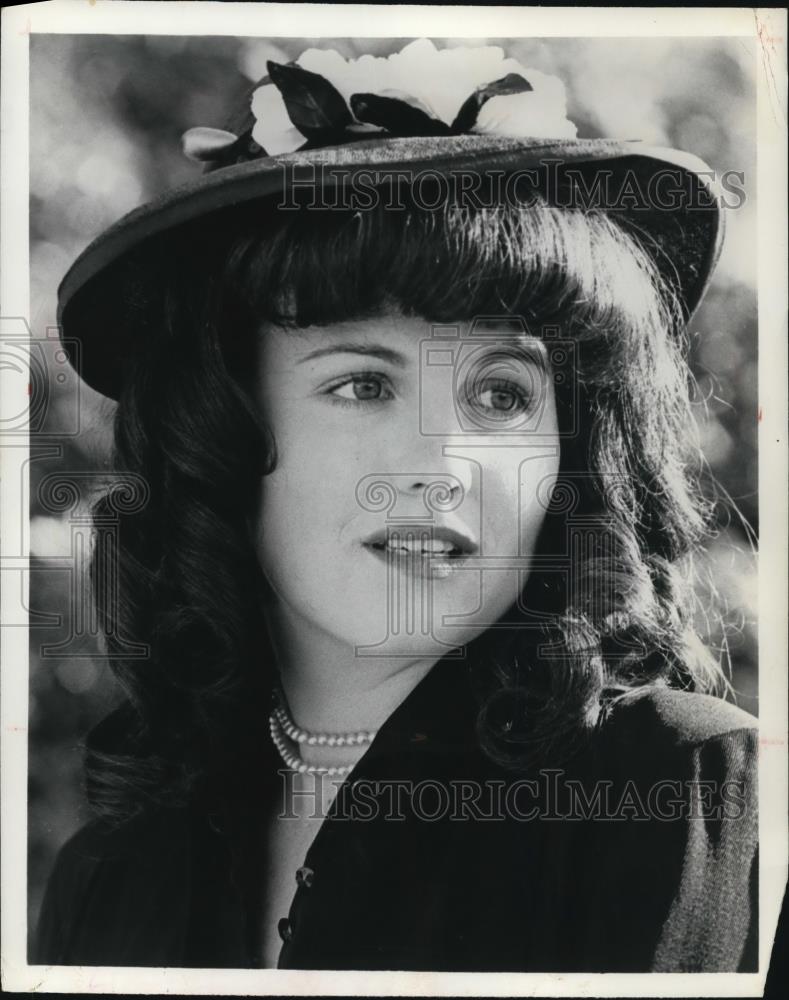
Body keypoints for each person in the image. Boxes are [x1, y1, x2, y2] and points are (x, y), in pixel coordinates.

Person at [34, 39, 757, 972]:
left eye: (502, 395)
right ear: (219, 435)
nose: (441, 463)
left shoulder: (683, 788)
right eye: (362, 386)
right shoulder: (112, 871)